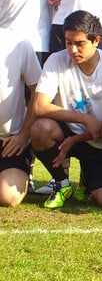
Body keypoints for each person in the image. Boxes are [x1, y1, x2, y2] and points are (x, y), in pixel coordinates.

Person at [30, 10, 102, 209]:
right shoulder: (56, 60)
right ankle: (62, 184)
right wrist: (83, 119)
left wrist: (76, 139)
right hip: (64, 133)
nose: (73, 50)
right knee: (41, 128)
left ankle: (88, 176)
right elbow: (39, 106)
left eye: (80, 43)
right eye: (68, 42)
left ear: (96, 41)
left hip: (100, 141)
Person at [0, 27, 42, 206]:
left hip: (10, 142)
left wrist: (24, 135)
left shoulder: (18, 43)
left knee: (9, 197)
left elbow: (37, 92)